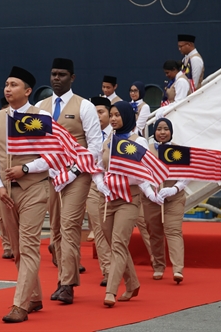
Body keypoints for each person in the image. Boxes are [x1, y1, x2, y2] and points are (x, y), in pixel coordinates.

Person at [0, 66, 51, 323]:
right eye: (6, 84)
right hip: (6, 192)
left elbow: (52, 155)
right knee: (18, 251)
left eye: (14, 84)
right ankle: (34, 297)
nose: (7, 88)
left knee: (29, 246)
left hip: (34, 188)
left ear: (28, 90)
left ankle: (19, 305)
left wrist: (26, 168)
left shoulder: (41, 116)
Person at [36, 58, 102, 304]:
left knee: (70, 225)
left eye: (62, 74)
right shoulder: (40, 107)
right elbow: (36, 143)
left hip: (77, 175)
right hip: (51, 174)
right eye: (53, 74)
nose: (56, 78)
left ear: (72, 78)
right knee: (55, 230)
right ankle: (64, 277)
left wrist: (74, 170)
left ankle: (67, 284)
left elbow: (95, 145)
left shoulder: (84, 106)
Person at [101, 101, 161, 307]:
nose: (114, 119)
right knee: (111, 240)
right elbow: (100, 166)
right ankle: (133, 283)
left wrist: (150, 192)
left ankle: (110, 291)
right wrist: (101, 185)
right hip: (109, 198)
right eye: (112, 115)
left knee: (118, 243)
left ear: (127, 117)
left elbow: (145, 172)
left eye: (118, 115)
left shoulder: (138, 142)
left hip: (129, 197)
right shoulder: (109, 139)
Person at [142, 118, 189, 284]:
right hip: (152, 199)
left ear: (171, 131)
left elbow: (186, 176)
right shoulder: (146, 151)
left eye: (166, 129)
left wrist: (174, 189)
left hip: (174, 198)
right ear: (154, 132)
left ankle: (178, 269)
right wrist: (149, 193)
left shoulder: (179, 151)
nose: (162, 132)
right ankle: (159, 266)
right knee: (154, 233)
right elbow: (140, 175)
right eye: (159, 129)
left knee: (173, 231)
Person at [86, 96, 113, 287]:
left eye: (100, 112)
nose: (97, 116)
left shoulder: (122, 134)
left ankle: (156, 259)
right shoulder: (88, 135)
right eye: (93, 113)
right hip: (94, 185)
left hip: (117, 187)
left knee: (119, 231)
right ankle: (108, 270)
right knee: (99, 228)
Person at [0, 96, 13, 259]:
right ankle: (7, 245)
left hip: (20, 174)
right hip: (1, 174)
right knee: (3, 214)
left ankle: (18, 243)